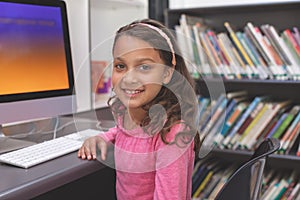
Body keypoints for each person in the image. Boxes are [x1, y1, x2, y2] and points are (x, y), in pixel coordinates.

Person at [78, 18, 201, 200]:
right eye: (120, 66)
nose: (129, 79)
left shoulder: (172, 135)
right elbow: (124, 132)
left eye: (144, 67)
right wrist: (101, 137)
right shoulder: (126, 111)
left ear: (167, 74)